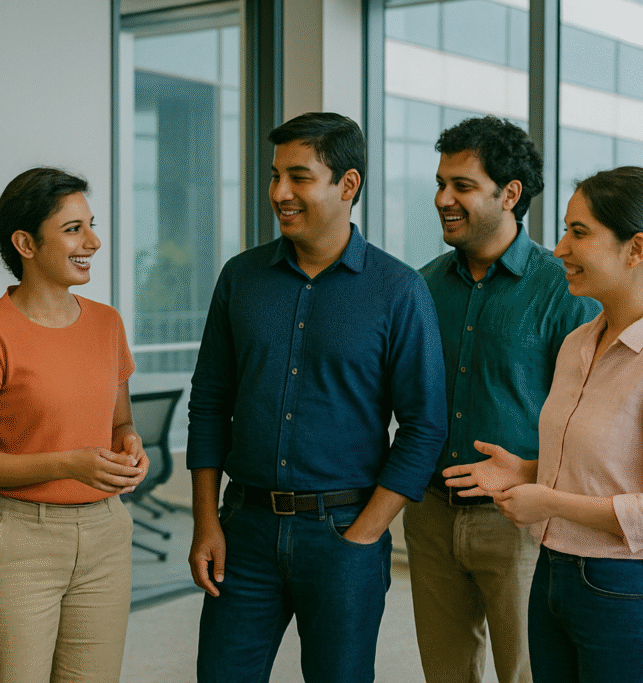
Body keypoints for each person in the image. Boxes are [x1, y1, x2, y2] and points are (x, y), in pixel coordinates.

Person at [187, 111, 448, 683]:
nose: (279, 192)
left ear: (347, 184)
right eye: (275, 175)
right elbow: (208, 403)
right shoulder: (240, 278)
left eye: (299, 177)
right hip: (243, 530)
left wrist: (365, 536)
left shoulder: (399, 290)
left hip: (343, 533)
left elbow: (425, 425)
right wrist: (206, 520)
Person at [444, 166, 643, 683]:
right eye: (564, 231)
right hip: (555, 574)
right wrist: (529, 471)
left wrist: (548, 501)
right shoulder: (578, 343)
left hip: (632, 591)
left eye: (579, 232)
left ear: (635, 250)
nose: (559, 249)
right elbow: (604, 469)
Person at [406, 116, 600, 683]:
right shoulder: (420, 287)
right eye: (440, 183)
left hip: (520, 523)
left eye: (462, 186)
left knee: (529, 673)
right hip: (430, 514)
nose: (443, 199)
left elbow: (590, 418)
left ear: (510, 194)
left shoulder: (564, 290)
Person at [0, 167, 147, 683]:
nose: (92, 242)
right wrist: (69, 464)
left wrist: (129, 442)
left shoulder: (107, 323)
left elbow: (120, 420)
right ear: (26, 244)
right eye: (73, 229)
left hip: (105, 534)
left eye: (91, 226)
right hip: (17, 539)